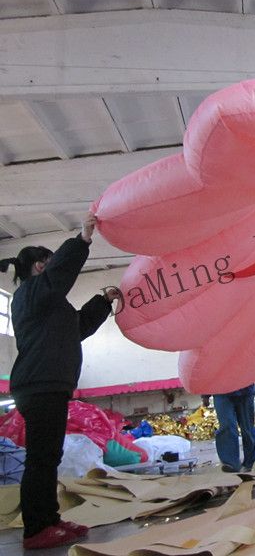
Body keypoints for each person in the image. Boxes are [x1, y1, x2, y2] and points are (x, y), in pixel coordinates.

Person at [0, 213, 120, 549]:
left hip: (46, 385)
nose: (54, 270)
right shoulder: (30, 296)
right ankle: (36, 528)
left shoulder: (47, 305)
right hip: (40, 386)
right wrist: (82, 240)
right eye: (49, 264)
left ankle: (49, 519)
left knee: (48, 456)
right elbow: (60, 274)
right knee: (41, 458)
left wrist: (103, 301)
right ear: (39, 267)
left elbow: (77, 327)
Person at [206, 374, 255, 473]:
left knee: (247, 428)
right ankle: (231, 464)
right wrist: (205, 394)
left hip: (245, 389)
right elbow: (205, 365)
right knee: (227, 425)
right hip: (221, 389)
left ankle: (249, 463)